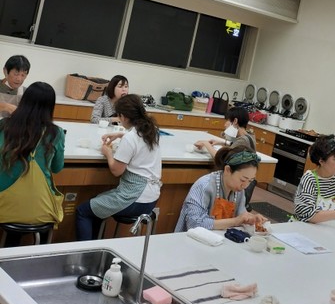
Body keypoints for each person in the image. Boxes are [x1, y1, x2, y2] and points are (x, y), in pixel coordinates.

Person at [76, 94, 161, 240]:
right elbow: (138, 140)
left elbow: (116, 170)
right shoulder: (152, 130)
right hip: (151, 198)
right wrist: (120, 135)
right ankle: (95, 246)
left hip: (134, 198)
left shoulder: (130, 138)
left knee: (83, 211)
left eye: (119, 116)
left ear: (124, 117)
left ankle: (87, 252)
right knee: (97, 207)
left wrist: (108, 152)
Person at [0, 82, 64, 246]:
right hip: (41, 209)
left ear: (24, 102)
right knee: (43, 221)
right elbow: (57, 168)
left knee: (13, 230)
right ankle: (41, 253)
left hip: (4, 206)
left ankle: (9, 248)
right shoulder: (55, 133)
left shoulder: (4, 125)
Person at [174, 147, 267, 232]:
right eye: (242, 180)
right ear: (227, 170)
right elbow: (194, 224)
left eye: (250, 181)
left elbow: (241, 214)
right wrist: (235, 221)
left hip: (220, 238)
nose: (245, 186)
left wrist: (251, 218)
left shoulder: (238, 190)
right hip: (192, 239)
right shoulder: (204, 186)